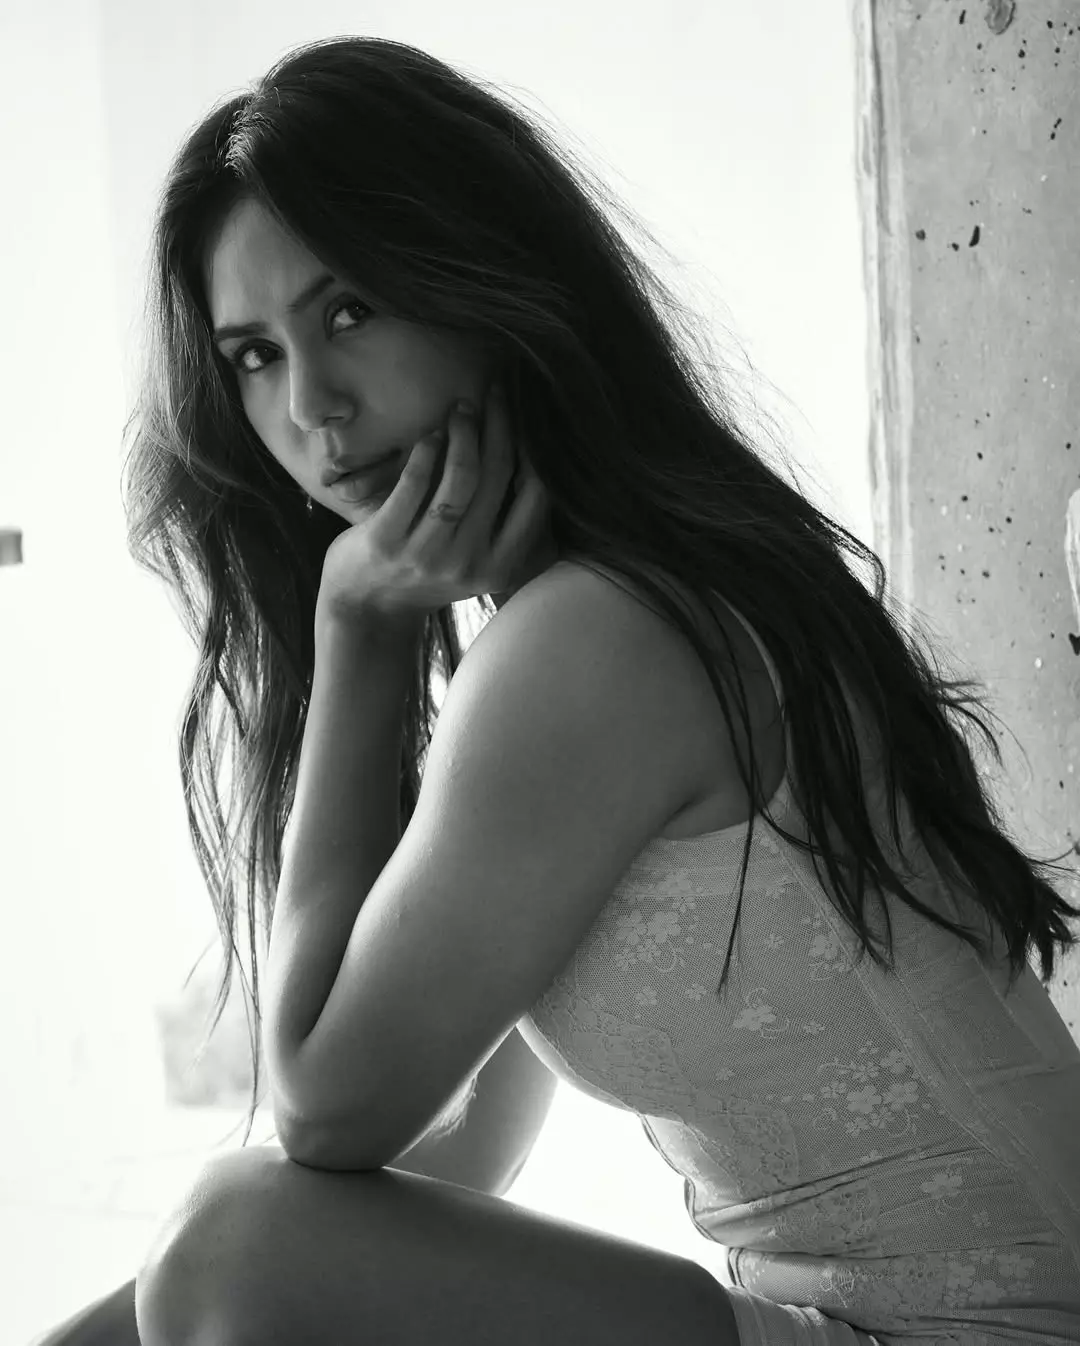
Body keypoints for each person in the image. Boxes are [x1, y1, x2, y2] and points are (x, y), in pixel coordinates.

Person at [35, 34, 1080, 1346]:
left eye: (349, 311)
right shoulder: (620, 605)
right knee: (213, 1259)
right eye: (253, 352)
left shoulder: (600, 637)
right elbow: (453, 1151)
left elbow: (323, 1112)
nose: (313, 405)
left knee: (232, 1236)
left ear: (482, 286)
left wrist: (360, 631)